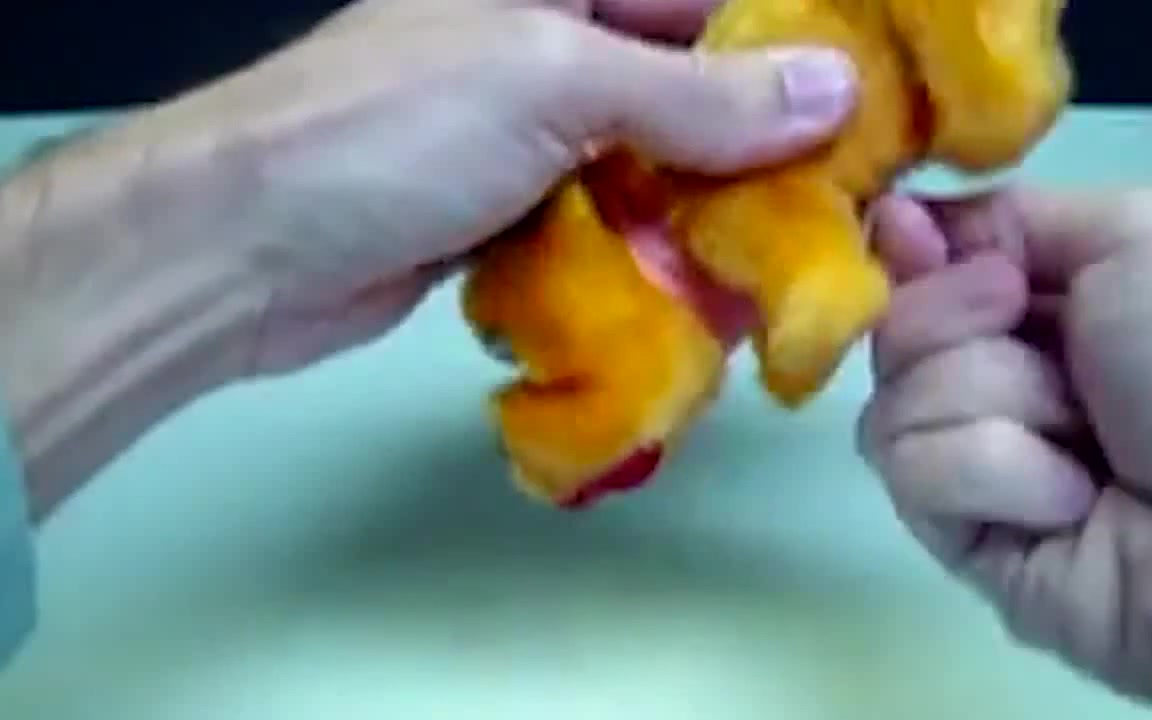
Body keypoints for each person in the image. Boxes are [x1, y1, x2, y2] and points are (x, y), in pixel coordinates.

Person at [0, 0, 1148, 706]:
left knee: (651, 358)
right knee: (644, 358)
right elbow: (799, 294)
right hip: (631, 263)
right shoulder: (799, 114)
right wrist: (817, 294)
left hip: (643, 269)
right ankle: (580, 406)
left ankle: (582, 406)